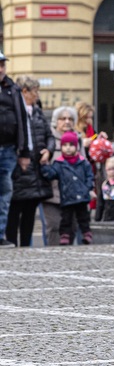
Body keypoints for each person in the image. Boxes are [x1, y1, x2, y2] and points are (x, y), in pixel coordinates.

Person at [7, 76, 54, 246]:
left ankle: (26, 246)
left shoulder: (37, 112)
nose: (38, 94)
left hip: (36, 171)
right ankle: (11, 244)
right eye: (35, 91)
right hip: (19, 169)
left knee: (29, 211)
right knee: (13, 211)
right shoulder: (14, 110)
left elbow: (49, 135)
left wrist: (48, 150)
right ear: (24, 92)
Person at [42, 131, 96, 245]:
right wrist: (45, 167)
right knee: (66, 218)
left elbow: (90, 175)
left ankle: (86, 233)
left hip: (82, 196)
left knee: (83, 217)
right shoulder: (59, 163)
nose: (68, 148)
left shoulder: (83, 162)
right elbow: (52, 174)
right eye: (65, 145)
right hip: (67, 196)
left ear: (76, 147)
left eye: (71, 145)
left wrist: (88, 187)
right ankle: (64, 235)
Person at [0, 50, 30, 248]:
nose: (1, 69)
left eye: (3, 65)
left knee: (4, 193)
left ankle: (0, 235)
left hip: (9, 150)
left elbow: (22, 120)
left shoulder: (13, 89)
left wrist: (24, 152)